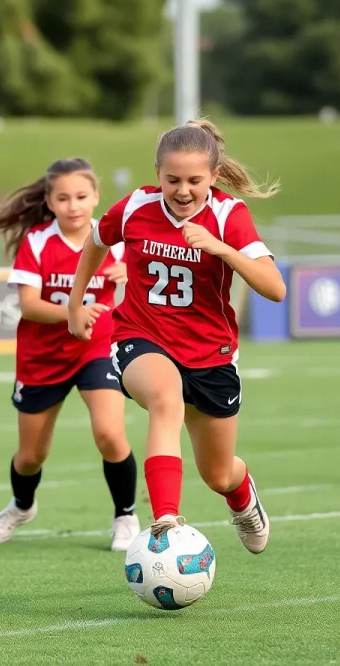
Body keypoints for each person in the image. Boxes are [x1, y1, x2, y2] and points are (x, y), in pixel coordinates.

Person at [67, 119, 286, 553]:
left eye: (194, 181)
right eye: (172, 180)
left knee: (218, 474)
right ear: (156, 174)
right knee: (165, 399)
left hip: (211, 354)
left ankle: (243, 498)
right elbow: (95, 241)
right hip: (140, 334)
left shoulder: (228, 215)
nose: (183, 190)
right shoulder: (134, 207)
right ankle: (165, 521)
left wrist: (220, 248)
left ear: (214, 177)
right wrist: (76, 303)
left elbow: (275, 288)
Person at [0, 158, 141, 551]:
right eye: (63, 198)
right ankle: (21, 506)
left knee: (110, 433)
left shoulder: (115, 241)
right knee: (31, 456)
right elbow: (29, 305)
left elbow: (146, 293)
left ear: (96, 197)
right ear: (49, 201)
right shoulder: (37, 242)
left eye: (82, 196)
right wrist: (73, 311)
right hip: (41, 357)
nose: (73, 205)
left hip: (96, 349)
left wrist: (131, 276)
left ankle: (126, 515)